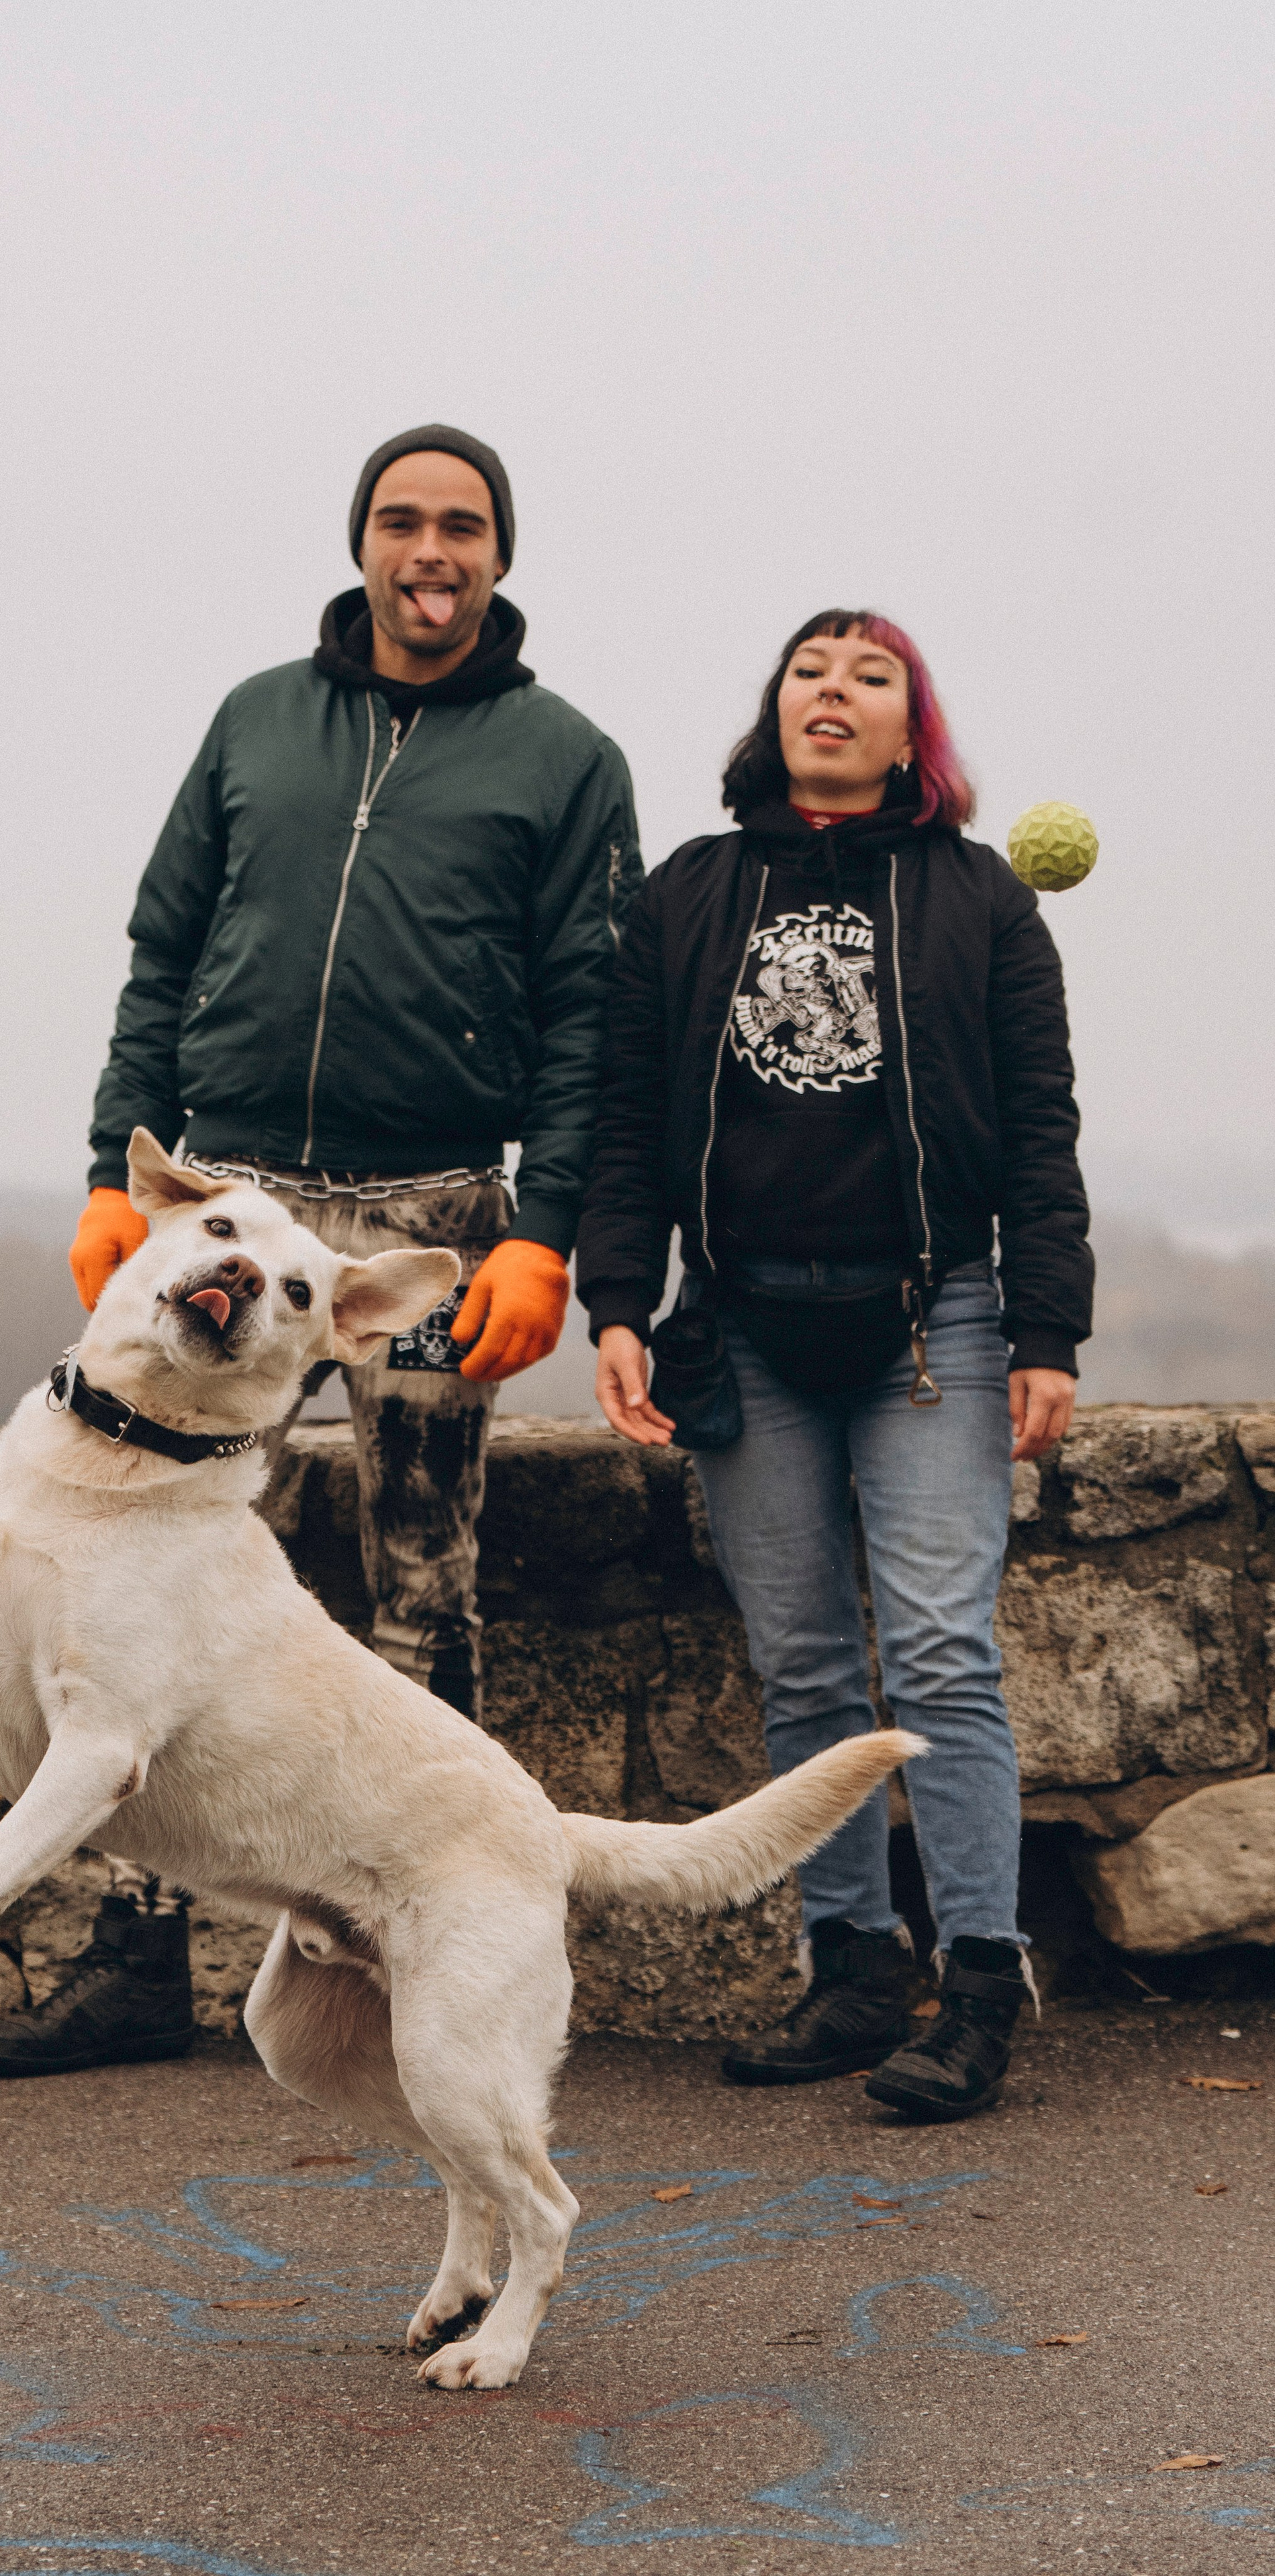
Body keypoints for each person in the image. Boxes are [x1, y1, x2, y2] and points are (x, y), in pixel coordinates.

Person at [0, 424, 642, 2080]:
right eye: (402, 520)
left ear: (499, 554)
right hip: (234, 1210)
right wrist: (115, 1172)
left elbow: (588, 1017)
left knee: (422, 1574)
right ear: (361, 545)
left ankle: (427, 1937)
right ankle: (134, 1959)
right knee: (135, 1590)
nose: (431, 549)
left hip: (428, 1218)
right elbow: (162, 947)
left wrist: (543, 1233)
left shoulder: (565, 759)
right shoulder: (256, 719)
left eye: (462, 525)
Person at [576, 611, 1091, 2122]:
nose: (835, 691)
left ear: (908, 730)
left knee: (939, 1656)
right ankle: (854, 1965)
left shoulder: (981, 899)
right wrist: (619, 1301)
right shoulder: (690, 891)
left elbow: (1039, 1128)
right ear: (776, 707)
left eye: (872, 677)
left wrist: (1046, 1330)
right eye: (811, 669)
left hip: (933, 1326)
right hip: (742, 1327)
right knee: (801, 1664)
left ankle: (979, 1979)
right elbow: (625, 1119)